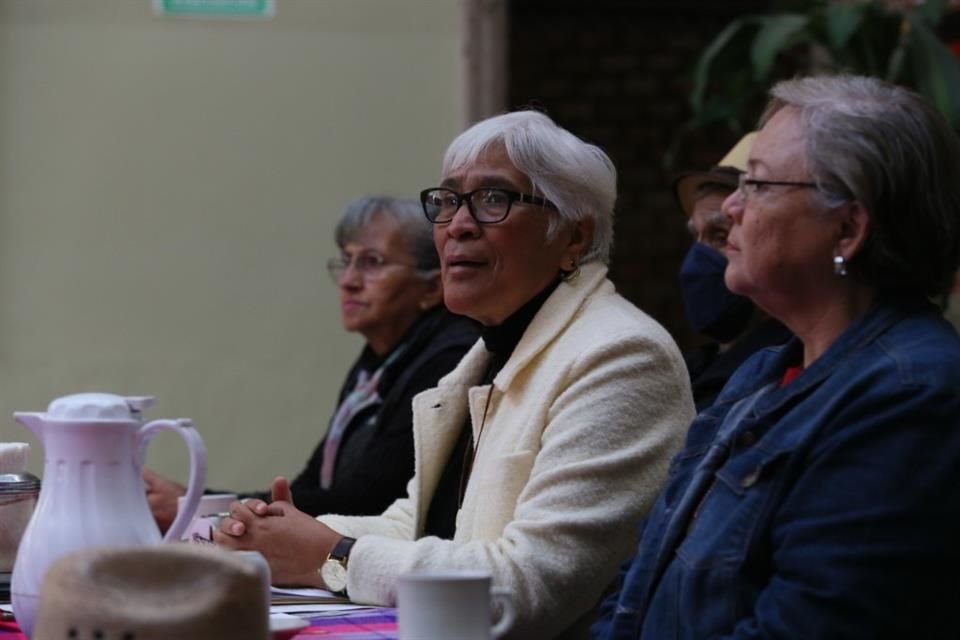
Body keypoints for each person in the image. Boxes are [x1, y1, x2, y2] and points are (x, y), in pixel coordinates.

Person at [215, 110, 695, 638]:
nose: (458, 224)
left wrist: (330, 554)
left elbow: (525, 587)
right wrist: (275, 533)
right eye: (448, 201)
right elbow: (416, 525)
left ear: (573, 237)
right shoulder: (491, 352)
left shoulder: (620, 355)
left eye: (494, 199)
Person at [593, 75, 960, 639]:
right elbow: (637, 587)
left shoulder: (910, 395)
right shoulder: (764, 372)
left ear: (848, 229)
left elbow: (810, 627)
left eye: (758, 185)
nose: (732, 207)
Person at [145, 196, 480, 529]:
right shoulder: (379, 360)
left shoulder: (448, 360)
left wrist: (198, 509)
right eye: (346, 260)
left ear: (432, 287)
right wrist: (200, 503)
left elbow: (367, 501)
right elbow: (314, 488)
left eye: (372, 262)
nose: (349, 280)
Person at [674, 134, 791, 411]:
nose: (697, 259)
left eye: (720, 235)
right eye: (696, 236)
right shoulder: (690, 369)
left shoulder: (783, 370)